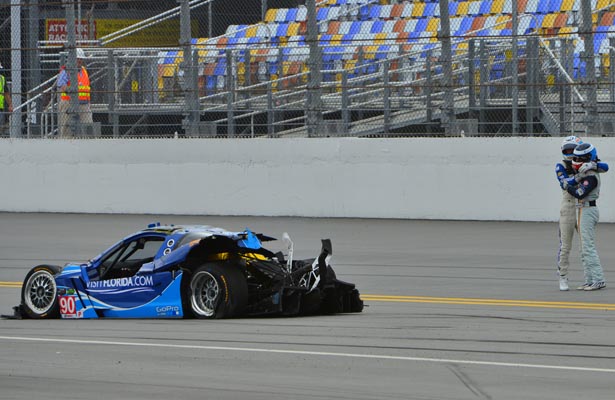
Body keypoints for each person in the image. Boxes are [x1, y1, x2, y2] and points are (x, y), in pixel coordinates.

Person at [555, 136, 607, 291]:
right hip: (569, 207)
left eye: (575, 152)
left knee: (585, 247)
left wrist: (592, 164)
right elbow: (567, 183)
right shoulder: (561, 166)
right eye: (569, 151)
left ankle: (595, 278)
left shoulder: (590, 168)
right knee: (566, 245)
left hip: (584, 207)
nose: (572, 155)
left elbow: (605, 167)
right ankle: (563, 276)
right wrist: (579, 174)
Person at [56, 48, 92, 137]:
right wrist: (70, 92)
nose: (79, 61)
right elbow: (61, 84)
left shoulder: (84, 70)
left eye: (81, 59)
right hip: (69, 103)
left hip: (84, 104)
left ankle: (88, 146)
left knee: (88, 128)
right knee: (66, 129)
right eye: (77, 59)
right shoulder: (67, 70)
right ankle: (66, 146)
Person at [0, 62, 13, 136]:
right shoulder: (2, 78)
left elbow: (6, 93)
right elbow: (6, 94)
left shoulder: (2, 79)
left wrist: (10, 105)